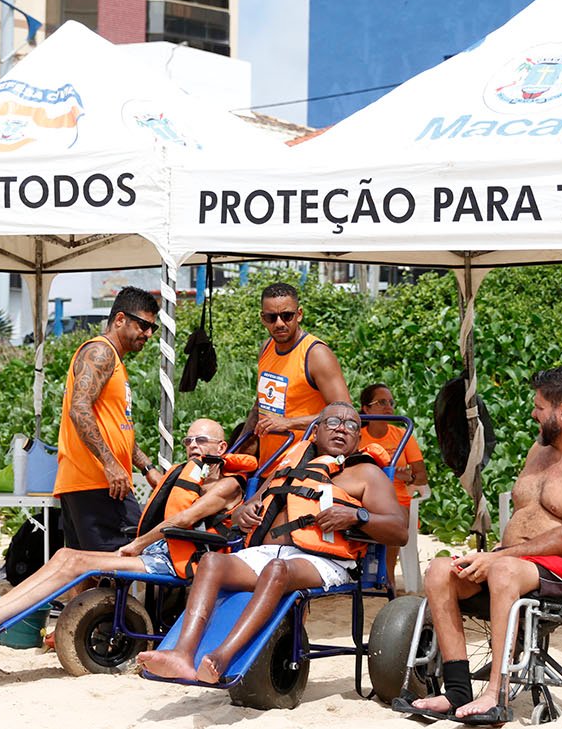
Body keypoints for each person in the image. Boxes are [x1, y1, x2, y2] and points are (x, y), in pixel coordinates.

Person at [408, 367, 562, 723]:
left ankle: (495, 695)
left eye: (539, 407)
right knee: (440, 570)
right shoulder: (539, 450)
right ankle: (457, 692)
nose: (533, 413)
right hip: (516, 561)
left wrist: (500, 557)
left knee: (504, 571)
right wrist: (496, 555)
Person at [139, 402, 407, 684]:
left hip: (325, 561)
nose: (341, 429)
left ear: (359, 438)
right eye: (332, 422)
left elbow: (399, 531)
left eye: (351, 425)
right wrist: (244, 513)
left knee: (277, 569)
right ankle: (182, 654)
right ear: (315, 431)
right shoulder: (290, 466)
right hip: (267, 553)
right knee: (211, 562)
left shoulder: (366, 474)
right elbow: (248, 506)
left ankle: (222, 657)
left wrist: (356, 516)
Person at [0, 419, 247, 640]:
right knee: (64, 555)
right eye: (188, 441)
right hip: (161, 552)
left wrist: (137, 544)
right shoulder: (187, 476)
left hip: (184, 561)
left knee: (77, 562)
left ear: (222, 446)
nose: (192, 446)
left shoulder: (228, 485)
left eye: (201, 441)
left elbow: (182, 520)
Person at [55, 286, 163, 554]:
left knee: (88, 567)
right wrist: (111, 464)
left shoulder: (114, 361)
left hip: (100, 482)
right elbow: (79, 409)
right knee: (123, 561)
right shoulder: (100, 352)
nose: (149, 334)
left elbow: (117, 429)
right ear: (120, 319)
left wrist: (147, 467)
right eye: (143, 325)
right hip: (97, 482)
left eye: (153, 327)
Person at [246, 282, 350, 465]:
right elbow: (259, 407)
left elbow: (345, 414)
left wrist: (289, 423)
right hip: (268, 464)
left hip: (305, 465)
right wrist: (237, 451)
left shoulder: (316, 354)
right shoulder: (266, 348)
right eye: (271, 317)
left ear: (299, 314)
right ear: (263, 318)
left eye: (287, 316)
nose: (279, 323)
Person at [357, 383, 427, 593]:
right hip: (364, 497)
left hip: (398, 498)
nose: (389, 407)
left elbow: (422, 476)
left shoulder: (403, 435)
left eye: (391, 402)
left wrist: (408, 477)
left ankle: (388, 579)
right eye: (382, 402)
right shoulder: (357, 436)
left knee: (394, 520)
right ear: (366, 409)